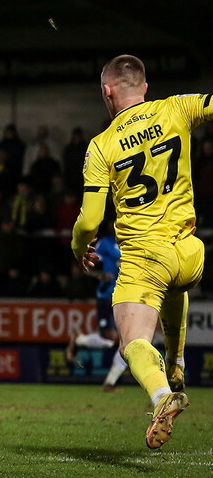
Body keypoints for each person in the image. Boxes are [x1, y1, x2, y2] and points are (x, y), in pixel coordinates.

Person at [72, 54, 206, 449]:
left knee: (132, 342)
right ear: (145, 87)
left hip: (146, 259)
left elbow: (90, 220)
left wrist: (78, 246)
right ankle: (177, 361)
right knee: (175, 286)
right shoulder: (176, 107)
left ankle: (164, 396)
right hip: (191, 253)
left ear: (106, 91)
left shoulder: (101, 146)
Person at [65, 223, 128, 392]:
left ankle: (109, 383)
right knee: (111, 340)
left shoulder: (134, 242)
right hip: (106, 296)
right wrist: (98, 275)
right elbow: (85, 263)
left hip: (127, 297)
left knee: (124, 341)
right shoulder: (105, 243)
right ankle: (109, 382)